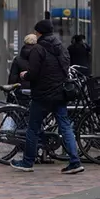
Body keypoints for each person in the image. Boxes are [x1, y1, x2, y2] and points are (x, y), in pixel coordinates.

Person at [11, 20, 84, 174]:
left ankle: (27, 162)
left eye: (36, 32)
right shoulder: (61, 47)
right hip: (60, 93)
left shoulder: (38, 49)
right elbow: (65, 68)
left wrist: (25, 75)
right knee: (65, 126)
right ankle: (75, 162)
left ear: (39, 33)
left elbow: (34, 72)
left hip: (42, 95)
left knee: (33, 128)